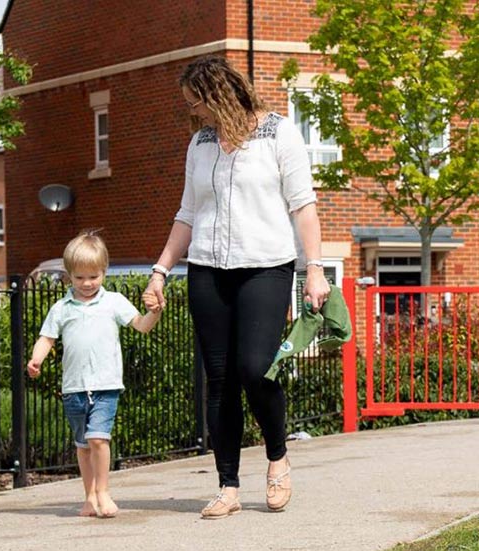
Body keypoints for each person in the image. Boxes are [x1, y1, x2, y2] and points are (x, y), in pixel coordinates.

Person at [142, 55, 330, 518]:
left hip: (266, 266)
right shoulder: (200, 143)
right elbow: (187, 213)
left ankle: (277, 457)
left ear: (216, 96)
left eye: (196, 103)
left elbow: (302, 205)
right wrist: (161, 270)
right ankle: (227, 485)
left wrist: (316, 268)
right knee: (219, 379)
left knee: (254, 368)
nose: (194, 113)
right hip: (207, 268)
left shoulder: (278, 133)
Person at [27, 230, 162, 518]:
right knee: (83, 446)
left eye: (93, 276)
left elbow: (141, 324)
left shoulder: (113, 301)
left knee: (99, 439)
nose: (87, 284)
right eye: (79, 278)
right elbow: (47, 338)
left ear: (104, 272)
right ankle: (89, 497)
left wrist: (155, 312)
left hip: (106, 385)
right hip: (74, 389)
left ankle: (103, 492)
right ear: (69, 275)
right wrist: (36, 359)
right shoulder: (61, 308)